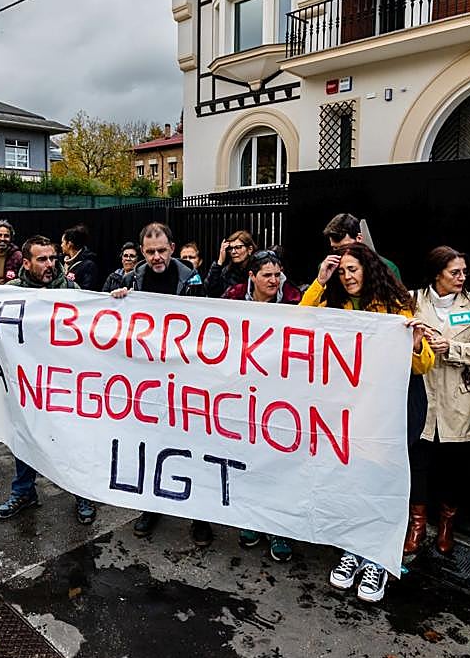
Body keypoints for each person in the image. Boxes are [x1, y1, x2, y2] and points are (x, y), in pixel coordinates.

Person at [302, 242, 434, 602]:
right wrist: (320, 280)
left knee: (382, 480)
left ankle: (376, 558)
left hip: (393, 408)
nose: (346, 277)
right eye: (341, 271)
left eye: (352, 270)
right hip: (352, 409)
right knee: (353, 478)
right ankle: (352, 549)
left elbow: (422, 367)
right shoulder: (334, 304)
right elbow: (298, 324)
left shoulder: (398, 307)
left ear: (370, 269)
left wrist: (416, 345)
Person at [110, 222, 212, 546]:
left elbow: (209, 323)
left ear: (172, 247)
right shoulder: (131, 280)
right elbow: (116, 326)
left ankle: (202, 515)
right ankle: (152, 507)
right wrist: (117, 301)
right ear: (142, 252)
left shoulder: (191, 279)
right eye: (150, 251)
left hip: (186, 377)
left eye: (162, 250)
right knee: (151, 446)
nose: (156, 257)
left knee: (194, 447)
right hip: (148, 381)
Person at [0, 236, 97, 525]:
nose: (50, 264)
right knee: (25, 435)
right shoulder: (9, 293)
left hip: (64, 382)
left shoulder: (71, 290)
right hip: (26, 383)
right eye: (42, 259)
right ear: (26, 263)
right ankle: (24, 492)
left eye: (53, 258)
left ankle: (81, 493)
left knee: (71, 439)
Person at [409, 247, 470, 556]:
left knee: (453, 466)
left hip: (459, 395)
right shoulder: (412, 300)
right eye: (454, 272)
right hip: (421, 391)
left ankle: (446, 524)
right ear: (436, 274)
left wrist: (453, 348)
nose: (461, 277)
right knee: (418, 460)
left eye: (463, 272)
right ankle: (417, 523)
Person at [224, 249, 300, 562]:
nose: (273, 280)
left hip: (282, 398)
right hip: (245, 396)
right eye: (266, 275)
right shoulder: (231, 300)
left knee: (278, 463)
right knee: (248, 458)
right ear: (251, 276)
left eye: (277, 274)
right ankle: (252, 520)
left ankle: (278, 527)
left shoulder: (296, 301)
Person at [321, 212, 401, 281]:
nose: (340, 253)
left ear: (358, 238)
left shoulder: (387, 268)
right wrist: (320, 281)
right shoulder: (326, 269)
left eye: (345, 247)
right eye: (335, 248)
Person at [205, 230, 256, 298]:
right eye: (230, 248)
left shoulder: (258, 269)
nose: (233, 252)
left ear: (250, 249)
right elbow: (211, 292)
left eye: (238, 247)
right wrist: (220, 262)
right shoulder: (227, 271)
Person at [61, 224, 100, 291]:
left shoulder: (88, 265)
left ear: (69, 244)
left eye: (62, 242)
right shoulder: (64, 263)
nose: (61, 245)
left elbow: (86, 290)